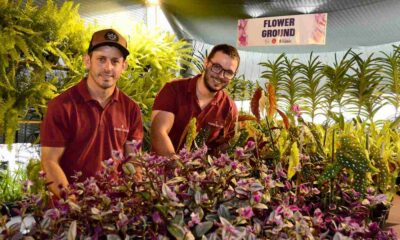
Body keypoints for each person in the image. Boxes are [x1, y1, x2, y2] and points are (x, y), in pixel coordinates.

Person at [40, 29, 143, 198]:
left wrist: (134, 198)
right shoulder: (62, 106)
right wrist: (74, 203)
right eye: (101, 59)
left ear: (123, 66)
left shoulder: (131, 109)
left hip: (113, 213)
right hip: (68, 212)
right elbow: (49, 162)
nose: (108, 68)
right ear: (88, 61)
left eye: (115, 61)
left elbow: (133, 160)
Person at [151, 44, 239, 157]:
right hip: (161, 170)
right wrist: (177, 166)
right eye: (216, 67)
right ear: (206, 63)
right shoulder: (173, 90)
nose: (221, 75)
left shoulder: (229, 108)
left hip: (201, 173)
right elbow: (159, 131)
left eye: (228, 72)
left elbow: (225, 147)